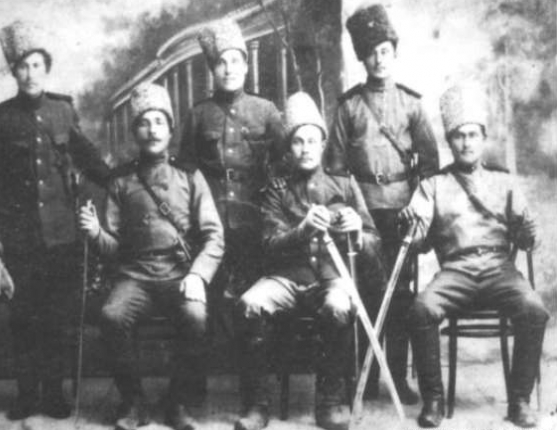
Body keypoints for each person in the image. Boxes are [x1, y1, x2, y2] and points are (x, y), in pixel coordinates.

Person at [0, 20, 110, 420]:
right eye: (22, 66)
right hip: (20, 240)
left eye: (36, 65)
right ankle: (27, 397)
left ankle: (53, 395)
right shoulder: (0, 119)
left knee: (57, 320)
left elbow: (89, 158)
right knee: (23, 320)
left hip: (62, 238)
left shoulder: (62, 110)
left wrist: (123, 178)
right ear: (13, 72)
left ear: (46, 68)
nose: (30, 73)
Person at [234, 92, 386, 430]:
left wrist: (358, 232)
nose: (305, 148)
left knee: (338, 306)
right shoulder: (276, 189)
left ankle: (329, 401)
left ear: (323, 144)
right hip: (286, 279)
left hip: (331, 278)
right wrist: (301, 231)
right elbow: (268, 245)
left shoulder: (344, 184)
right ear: (288, 149)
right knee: (250, 304)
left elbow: (375, 245)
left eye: (312, 140)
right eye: (298, 141)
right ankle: (257, 405)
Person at [400, 84, 549, 428]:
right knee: (421, 309)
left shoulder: (504, 183)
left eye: (472, 135)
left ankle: (520, 401)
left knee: (534, 310)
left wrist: (528, 230)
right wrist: (411, 223)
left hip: (500, 270)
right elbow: (418, 242)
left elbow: (527, 241)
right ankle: (434, 400)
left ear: (483, 138)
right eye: (458, 136)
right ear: (449, 141)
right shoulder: (433, 185)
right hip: (456, 272)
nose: (466, 143)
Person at [78, 83, 224, 430]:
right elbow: (114, 248)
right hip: (135, 276)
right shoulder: (121, 180)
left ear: (171, 129)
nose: (152, 129)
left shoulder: (189, 174)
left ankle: (177, 402)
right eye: (144, 122)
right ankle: (134, 402)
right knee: (112, 316)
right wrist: (95, 233)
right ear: (135, 132)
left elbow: (214, 235)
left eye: (159, 121)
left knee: (196, 316)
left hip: (180, 274)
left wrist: (198, 275)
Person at [324, 3, 439, 404]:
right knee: (366, 294)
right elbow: (335, 169)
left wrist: (419, 203)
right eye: (371, 52)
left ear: (394, 52)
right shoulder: (349, 107)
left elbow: (431, 167)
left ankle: (398, 378)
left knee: (401, 295)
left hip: (402, 213)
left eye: (385, 50)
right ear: (362, 57)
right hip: (363, 215)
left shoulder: (411, 104)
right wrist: (351, 210)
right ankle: (367, 377)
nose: (379, 59)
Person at [176, 18, 286, 301]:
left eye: (236, 61)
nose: (229, 69)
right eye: (221, 63)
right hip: (211, 219)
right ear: (212, 69)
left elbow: (286, 161)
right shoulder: (199, 115)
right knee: (215, 299)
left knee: (255, 294)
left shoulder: (266, 110)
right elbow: (184, 171)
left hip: (255, 217)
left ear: (246, 66)